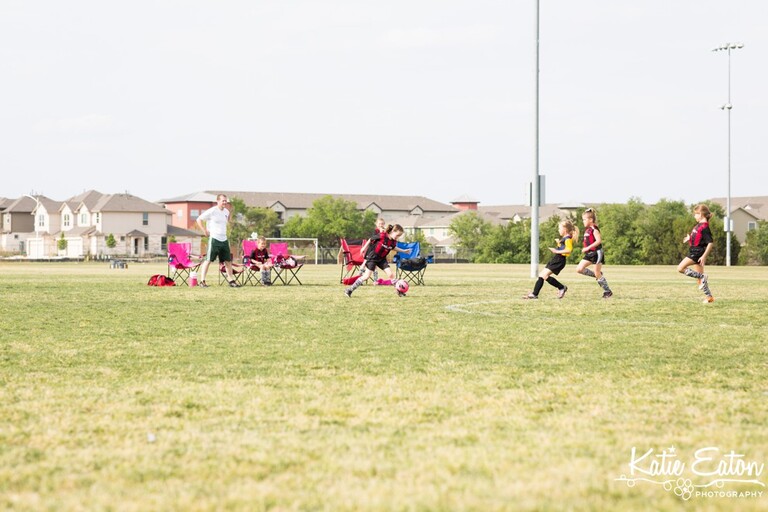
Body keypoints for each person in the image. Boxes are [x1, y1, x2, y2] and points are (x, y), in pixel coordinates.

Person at [345, 224, 410, 297]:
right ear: (392, 231)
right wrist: (363, 248)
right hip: (372, 258)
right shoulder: (382, 236)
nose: (397, 237)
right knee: (366, 276)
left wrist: (404, 251)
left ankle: (399, 291)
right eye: (397, 235)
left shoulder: (393, 241)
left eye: (399, 236)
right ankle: (350, 289)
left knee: (391, 274)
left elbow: (393, 247)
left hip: (382, 259)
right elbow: (370, 239)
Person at [524, 219, 578, 299]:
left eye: (560, 228)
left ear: (565, 229)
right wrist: (558, 243)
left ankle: (561, 287)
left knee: (544, 275)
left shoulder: (568, 239)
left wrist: (556, 250)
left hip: (559, 260)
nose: (558, 230)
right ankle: (534, 294)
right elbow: (563, 248)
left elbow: (569, 250)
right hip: (556, 259)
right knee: (542, 275)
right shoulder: (565, 238)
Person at [196, 194, 240, 288]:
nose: (225, 202)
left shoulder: (226, 212)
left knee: (228, 261)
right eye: (223, 200)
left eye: (226, 201)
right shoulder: (212, 211)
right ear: (218, 201)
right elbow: (199, 219)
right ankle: (202, 281)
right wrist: (204, 230)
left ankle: (231, 280)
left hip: (224, 239)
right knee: (208, 260)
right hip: (214, 239)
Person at [677, 204, 715, 303]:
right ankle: (709, 297)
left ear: (701, 214)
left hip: (697, 253)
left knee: (680, 268)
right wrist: (690, 238)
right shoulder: (699, 225)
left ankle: (702, 277)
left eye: (696, 214)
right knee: (700, 279)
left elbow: (710, 242)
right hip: (695, 251)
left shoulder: (705, 227)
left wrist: (704, 256)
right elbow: (698, 237)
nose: (694, 216)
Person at [575, 208, 613, 299]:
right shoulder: (587, 230)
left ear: (591, 220)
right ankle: (598, 275)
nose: (583, 221)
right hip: (590, 254)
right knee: (579, 269)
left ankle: (607, 291)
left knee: (597, 273)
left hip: (597, 253)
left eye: (584, 219)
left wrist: (587, 247)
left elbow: (599, 241)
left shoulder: (594, 229)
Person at [359, 217, 386, 283]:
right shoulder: (375, 231)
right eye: (379, 223)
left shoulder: (385, 232)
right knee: (364, 264)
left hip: (378, 252)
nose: (381, 225)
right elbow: (371, 239)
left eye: (382, 224)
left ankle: (375, 280)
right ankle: (359, 278)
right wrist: (364, 248)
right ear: (376, 224)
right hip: (371, 251)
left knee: (375, 266)